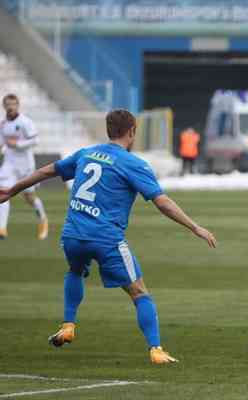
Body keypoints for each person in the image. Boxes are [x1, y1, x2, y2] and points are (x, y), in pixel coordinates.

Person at [0, 109, 217, 364]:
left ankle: (68, 325)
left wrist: (13, 189)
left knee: (75, 270)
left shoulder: (86, 153)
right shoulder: (134, 164)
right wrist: (195, 227)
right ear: (132, 131)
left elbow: (48, 171)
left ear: (108, 130)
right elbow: (162, 202)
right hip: (106, 238)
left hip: (72, 234)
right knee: (139, 293)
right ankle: (156, 349)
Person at [0, 94, 48, 240]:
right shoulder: (2, 124)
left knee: (29, 196)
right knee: (3, 192)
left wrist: (19, 144)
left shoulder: (25, 122)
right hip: (9, 164)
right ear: (4, 106)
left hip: (26, 165)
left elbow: (35, 140)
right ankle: (2, 229)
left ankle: (43, 220)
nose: (10, 107)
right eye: (8, 104)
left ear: (18, 105)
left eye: (13, 104)